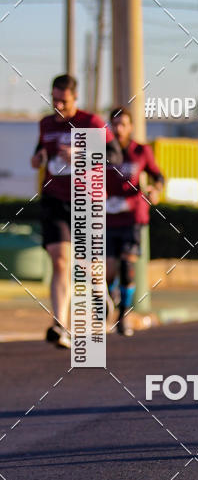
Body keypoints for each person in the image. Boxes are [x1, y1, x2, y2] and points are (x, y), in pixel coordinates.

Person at [31, 74, 122, 349]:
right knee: (60, 261)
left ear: (75, 98)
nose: (58, 105)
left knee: (87, 266)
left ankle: (99, 293)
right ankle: (60, 326)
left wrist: (81, 154)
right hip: (55, 199)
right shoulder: (46, 124)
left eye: (64, 100)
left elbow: (114, 155)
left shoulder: (91, 122)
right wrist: (37, 159)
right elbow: (40, 152)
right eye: (54, 99)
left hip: (87, 198)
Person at [106, 107, 164, 335]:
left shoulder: (141, 151)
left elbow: (157, 175)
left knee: (127, 264)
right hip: (108, 216)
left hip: (133, 217)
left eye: (123, 124)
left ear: (130, 127)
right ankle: (111, 295)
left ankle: (123, 315)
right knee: (109, 270)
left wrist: (156, 188)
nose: (119, 129)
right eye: (115, 124)